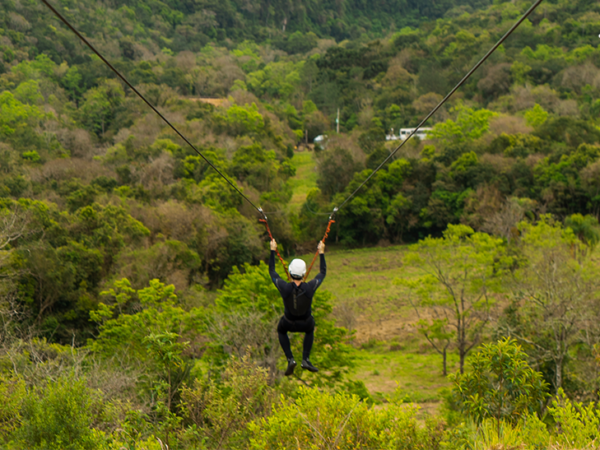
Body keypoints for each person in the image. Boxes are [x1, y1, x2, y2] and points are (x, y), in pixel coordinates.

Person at [269, 239, 326, 376]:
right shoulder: (310, 287)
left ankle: (290, 359)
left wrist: (272, 250)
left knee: (281, 330)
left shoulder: (284, 287)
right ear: (304, 273)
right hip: (306, 323)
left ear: (289, 272)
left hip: (288, 323)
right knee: (310, 328)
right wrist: (321, 252)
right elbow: (322, 272)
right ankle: (305, 359)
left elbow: (272, 271)